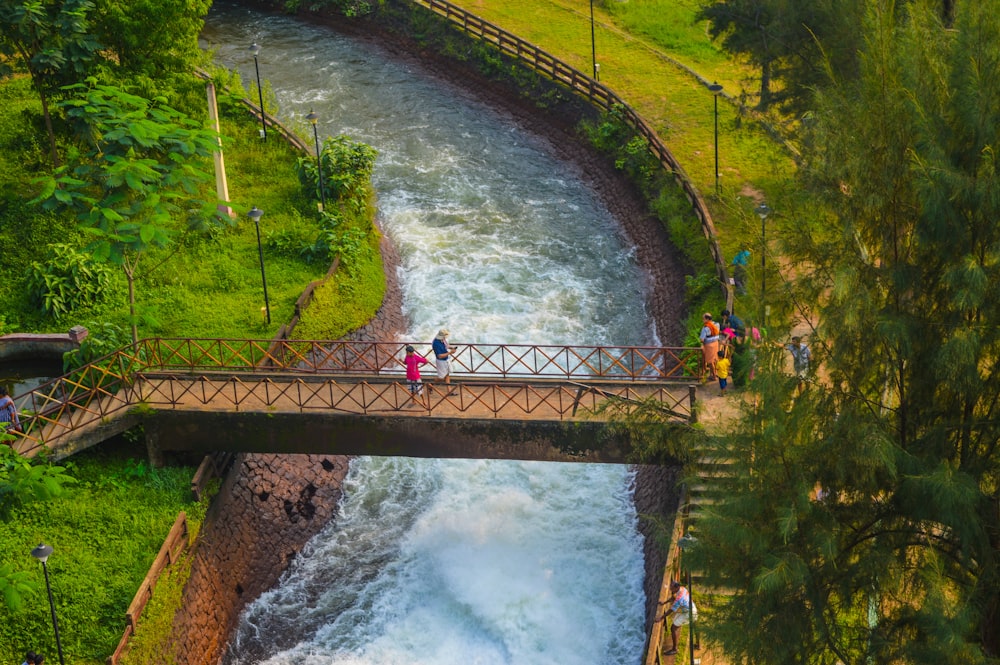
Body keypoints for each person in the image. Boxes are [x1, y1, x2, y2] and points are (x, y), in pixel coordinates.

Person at [656, 580, 698, 656]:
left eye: (671, 587)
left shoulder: (679, 599)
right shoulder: (682, 589)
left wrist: (661, 618)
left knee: (673, 628)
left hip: (689, 613)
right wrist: (664, 603)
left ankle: (675, 649)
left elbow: (671, 610)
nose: (670, 588)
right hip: (693, 607)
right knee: (695, 625)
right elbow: (673, 597)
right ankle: (698, 644)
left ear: (676, 587)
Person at [698, 313, 720, 381]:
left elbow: (702, 339)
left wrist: (701, 343)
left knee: (710, 361)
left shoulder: (705, 328)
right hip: (716, 343)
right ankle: (715, 373)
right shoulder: (716, 324)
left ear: (707, 319)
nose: (702, 320)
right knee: (715, 359)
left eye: (703, 319)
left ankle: (713, 376)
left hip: (709, 345)